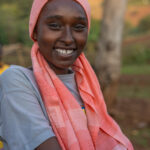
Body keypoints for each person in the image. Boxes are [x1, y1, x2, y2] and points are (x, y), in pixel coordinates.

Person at [0, 0, 134, 149]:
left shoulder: (87, 87)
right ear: (35, 31)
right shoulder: (17, 80)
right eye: (55, 26)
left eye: (78, 27)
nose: (68, 39)